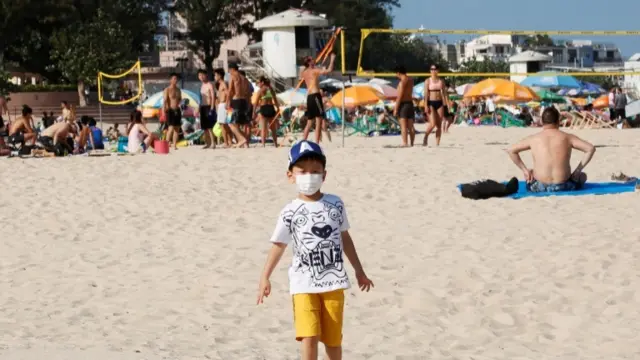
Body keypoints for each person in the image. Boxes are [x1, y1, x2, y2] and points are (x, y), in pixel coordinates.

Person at [257, 140, 374, 360]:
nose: (309, 176)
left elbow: (345, 238)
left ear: (324, 175)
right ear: (290, 175)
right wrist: (265, 277)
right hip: (303, 284)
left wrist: (359, 270)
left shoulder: (335, 204)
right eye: (302, 171)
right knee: (308, 337)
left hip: (333, 283)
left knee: (332, 341)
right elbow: (279, 245)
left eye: (315, 171)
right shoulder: (289, 212)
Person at [507, 107, 596, 193]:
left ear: (542, 121)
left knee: (530, 171)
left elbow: (511, 150)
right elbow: (590, 148)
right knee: (583, 176)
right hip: (564, 186)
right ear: (558, 121)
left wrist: (525, 171)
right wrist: (577, 171)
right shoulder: (567, 137)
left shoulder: (533, 139)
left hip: (537, 187)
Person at [300, 54, 336, 144]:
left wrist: (315, 67)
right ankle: (316, 143)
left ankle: (303, 141)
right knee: (319, 120)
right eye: (311, 59)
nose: (314, 60)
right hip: (315, 96)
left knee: (309, 122)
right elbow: (329, 70)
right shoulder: (314, 71)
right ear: (308, 62)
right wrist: (332, 59)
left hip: (309, 97)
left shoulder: (304, 72)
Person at [226, 64, 250, 148]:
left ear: (232, 69)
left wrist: (227, 102)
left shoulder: (233, 76)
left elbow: (229, 91)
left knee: (230, 122)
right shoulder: (244, 78)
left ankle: (242, 139)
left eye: (229, 70)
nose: (228, 72)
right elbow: (248, 92)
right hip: (243, 101)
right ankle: (245, 143)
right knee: (237, 124)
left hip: (235, 101)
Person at [423, 64, 446, 147]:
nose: (433, 70)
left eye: (434, 69)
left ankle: (437, 143)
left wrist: (447, 104)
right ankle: (425, 136)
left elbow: (445, 93)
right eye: (431, 69)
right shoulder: (427, 81)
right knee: (432, 124)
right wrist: (425, 105)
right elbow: (426, 94)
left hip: (439, 102)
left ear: (438, 70)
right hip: (431, 102)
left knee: (439, 125)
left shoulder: (441, 81)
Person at [393, 66, 415, 147]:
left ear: (398, 73)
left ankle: (405, 143)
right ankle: (412, 143)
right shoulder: (411, 80)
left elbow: (400, 96)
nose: (396, 76)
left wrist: (396, 108)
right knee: (410, 126)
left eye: (396, 74)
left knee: (403, 126)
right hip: (410, 103)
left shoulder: (402, 82)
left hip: (403, 104)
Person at [255, 76, 280, 147]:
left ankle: (263, 144)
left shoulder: (260, 90)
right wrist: (278, 108)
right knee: (273, 129)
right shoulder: (271, 89)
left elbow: (256, 103)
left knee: (263, 129)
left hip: (264, 108)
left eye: (258, 83)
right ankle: (275, 144)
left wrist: (253, 112)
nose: (257, 84)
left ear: (262, 82)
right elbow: (275, 100)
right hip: (271, 108)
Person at [198, 69, 216, 149]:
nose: (201, 77)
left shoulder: (210, 85)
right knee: (204, 127)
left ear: (206, 75)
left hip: (209, 106)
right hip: (203, 107)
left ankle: (213, 143)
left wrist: (212, 108)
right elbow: (201, 98)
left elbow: (213, 97)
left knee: (209, 127)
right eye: (199, 75)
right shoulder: (201, 86)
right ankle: (208, 143)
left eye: (202, 75)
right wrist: (199, 107)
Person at [163, 73, 182, 150]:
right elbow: (164, 100)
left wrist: (182, 104)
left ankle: (174, 145)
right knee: (170, 128)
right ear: (170, 80)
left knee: (177, 129)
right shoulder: (167, 89)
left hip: (177, 110)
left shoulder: (178, 90)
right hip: (170, 110)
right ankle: (166, 145)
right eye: (174, 78)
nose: (175, 80)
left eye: (176, 79)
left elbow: (180, 100)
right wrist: (164, 109)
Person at [214, 68, 232, 147]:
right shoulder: (220, 84)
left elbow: (228, 93)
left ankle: (227, 142)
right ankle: (228, 142)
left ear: (219, 76)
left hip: (224, 104)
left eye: (215, 75)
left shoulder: (223, 83)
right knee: (223, 124)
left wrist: (227, 102)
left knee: (224, 124)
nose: (214, 77)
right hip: (221, 105)